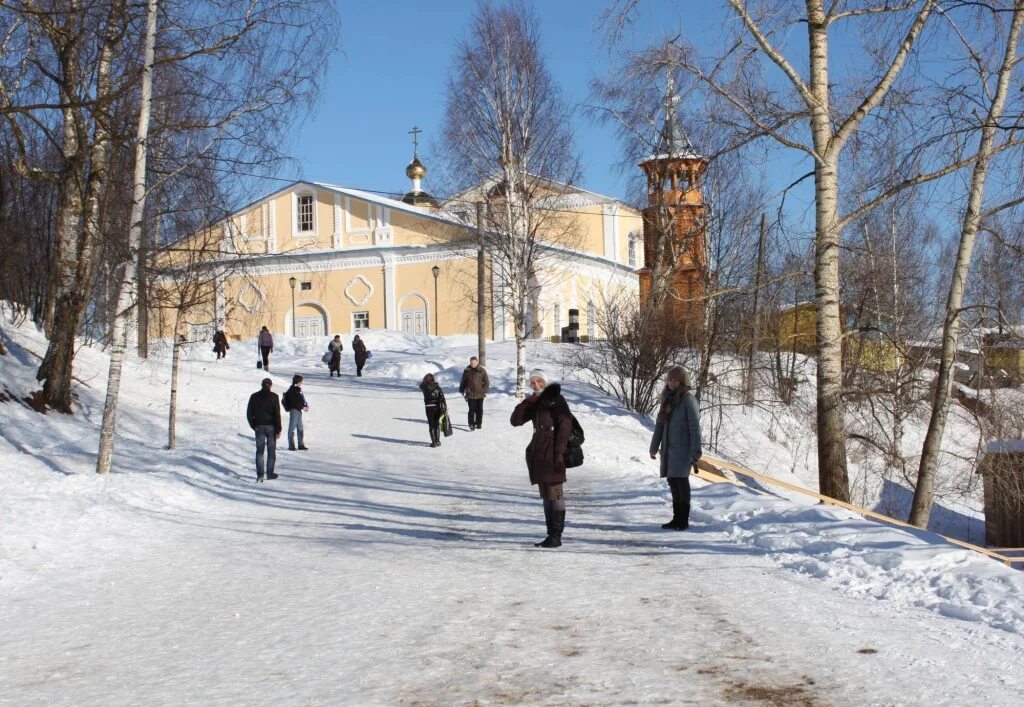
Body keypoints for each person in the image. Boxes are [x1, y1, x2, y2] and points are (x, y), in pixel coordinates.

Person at [510, 369, 573, 549]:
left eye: (539, 381)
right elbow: (515, 421)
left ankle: (556, 535)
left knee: (555, 493)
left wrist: (559, 452)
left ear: (545, 382)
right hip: (539, 453)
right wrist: (527, 401)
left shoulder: (556, 399)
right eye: (533, 382)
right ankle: (550, 535)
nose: (536, 384)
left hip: (553, 452)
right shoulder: (536, 402)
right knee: (546, 495)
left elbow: (565, 425)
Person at [649, 366, 702, 531]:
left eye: (675, 380)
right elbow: (659, 425)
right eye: (669, 379)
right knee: (672, 481)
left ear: (682, 381)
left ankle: (683, 520)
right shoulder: (667, 399)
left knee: (681, 481)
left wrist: (696, 450)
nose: (671, 383)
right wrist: (653, 446)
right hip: (669, 448)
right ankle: (676, 518)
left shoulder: (688, 400)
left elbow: (694, 427)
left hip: (683, 449)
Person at [246, 377, 281, 482]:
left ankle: (260, 475)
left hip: (259, 426)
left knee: (259, 451)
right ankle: (270, 474)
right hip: (271, 426)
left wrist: (254, 425)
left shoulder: (254, 396)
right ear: (270, 385)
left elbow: (249, 413)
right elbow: (277, 414)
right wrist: (278, 429)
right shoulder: (274, 396)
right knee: (271, 451)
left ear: (262, 385)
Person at [458, 356, 490, 430]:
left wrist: (484, 390)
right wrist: (461, 389)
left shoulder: (482, 370)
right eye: (471, 363)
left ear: (477, 362)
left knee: (479, 410)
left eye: (474, 363)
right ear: (470, 362)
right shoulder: (466, 370)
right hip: (470, 394)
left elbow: (486, 381)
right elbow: (463, 381)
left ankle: (478, 423)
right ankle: (471, 424)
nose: (473, 364)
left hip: (480, 394)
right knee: (471, 410)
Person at [419, 372, 446, 448]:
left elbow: (420, 385)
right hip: (437, 406)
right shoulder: (437, 387)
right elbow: (442, 397)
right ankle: (438, 441)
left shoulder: (423, 386)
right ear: (433, 379)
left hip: (428, 407)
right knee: (436, 423)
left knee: (431, 424)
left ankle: (433, 442)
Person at [283, 374, 309, 451]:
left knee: (300, 427)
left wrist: (305, 405)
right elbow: (294, 402)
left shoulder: (298, 389)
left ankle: (301, 444)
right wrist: (303, 407)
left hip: (298, 410)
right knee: (292, 427)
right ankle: (291, 445)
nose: (301, 383)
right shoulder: (292, 390)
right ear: (298, 381)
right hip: (294, 410)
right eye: (301, 381)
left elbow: (301, 400)